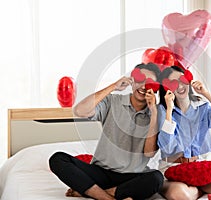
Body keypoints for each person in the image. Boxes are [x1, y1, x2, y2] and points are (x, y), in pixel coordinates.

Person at [49, 63, 164, 200]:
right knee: (57, 159)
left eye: (150, 83)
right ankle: (107, 197)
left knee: (156, 178)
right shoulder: (113, 101)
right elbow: (79, 111)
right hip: (100, 172)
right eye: (140, 79)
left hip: (131, 177)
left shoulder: (157, 113)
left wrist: (154, 113)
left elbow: (149, 153)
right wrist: (113, 86)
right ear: (132, 81)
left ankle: (91, 191)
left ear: (156, 88)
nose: (143, 86)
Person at [157, 66, 211, 200]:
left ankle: (200, 186)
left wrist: (207, 95)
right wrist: (169, 110)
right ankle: (201, 188)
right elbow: (167, 147)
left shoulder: (202, 107)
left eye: (182, 79)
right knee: (179, 195)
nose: (180, 85)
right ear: (167, 88)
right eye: (173, 83)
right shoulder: (163, 111)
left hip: (198, 169)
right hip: (172, 170)